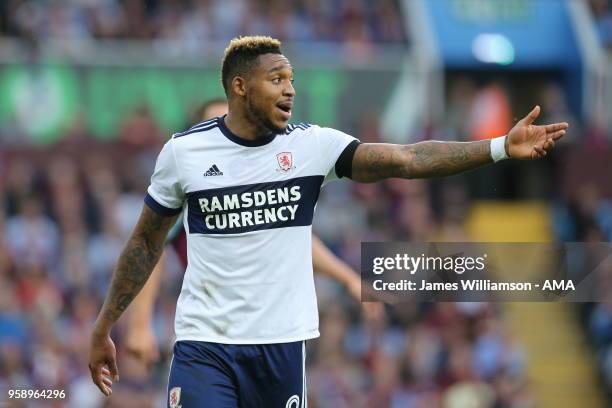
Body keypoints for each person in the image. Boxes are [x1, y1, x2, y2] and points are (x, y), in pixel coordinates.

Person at [89, 36, 568, 407]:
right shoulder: (184, 153)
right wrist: (105, 325)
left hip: (280, 348)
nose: (290, 89)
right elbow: (144, 244)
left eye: (291, 78)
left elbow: (407, 158)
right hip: (204, 345)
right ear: (239, 86)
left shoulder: (310, 147)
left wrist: (499, 147)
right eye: (276, 78)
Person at [124, 98, 382, 366]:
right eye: (213, 125)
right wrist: (140, 325)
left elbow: (297, 242)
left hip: (267, 333)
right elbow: (152, 250)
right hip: (208, 335)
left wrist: (349, 279)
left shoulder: (262, 181)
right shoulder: (192, 187)